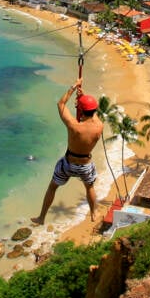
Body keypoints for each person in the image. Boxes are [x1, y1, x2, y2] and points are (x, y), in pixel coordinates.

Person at [31, 77, 103, 225]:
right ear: (94, 111)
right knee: (89, 187)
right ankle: (94, 212)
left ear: (81, 110)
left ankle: (42, 217)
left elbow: (61, 104)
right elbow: (91, 112)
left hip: (68, 164)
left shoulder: (74, 126)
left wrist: (73, 87)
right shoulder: (99, 126)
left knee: (52, 187)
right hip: (85, 165)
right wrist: (82, 98)